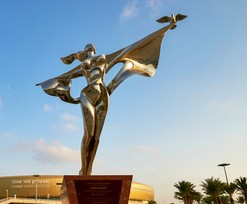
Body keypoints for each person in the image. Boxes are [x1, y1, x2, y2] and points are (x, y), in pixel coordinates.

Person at [37, 14, 186, 176]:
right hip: (87, 93)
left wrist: (166, 27)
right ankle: (83, 169)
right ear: (85, 51)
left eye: (92, 48)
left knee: (97, 138)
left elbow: (137, 44)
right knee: (89, 135)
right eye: (88, 48)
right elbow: (63, 77)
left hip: (103, 94)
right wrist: (49, 85)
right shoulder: (82, 66)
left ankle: (88, 170)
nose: (91, 49)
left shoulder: (105, 58)